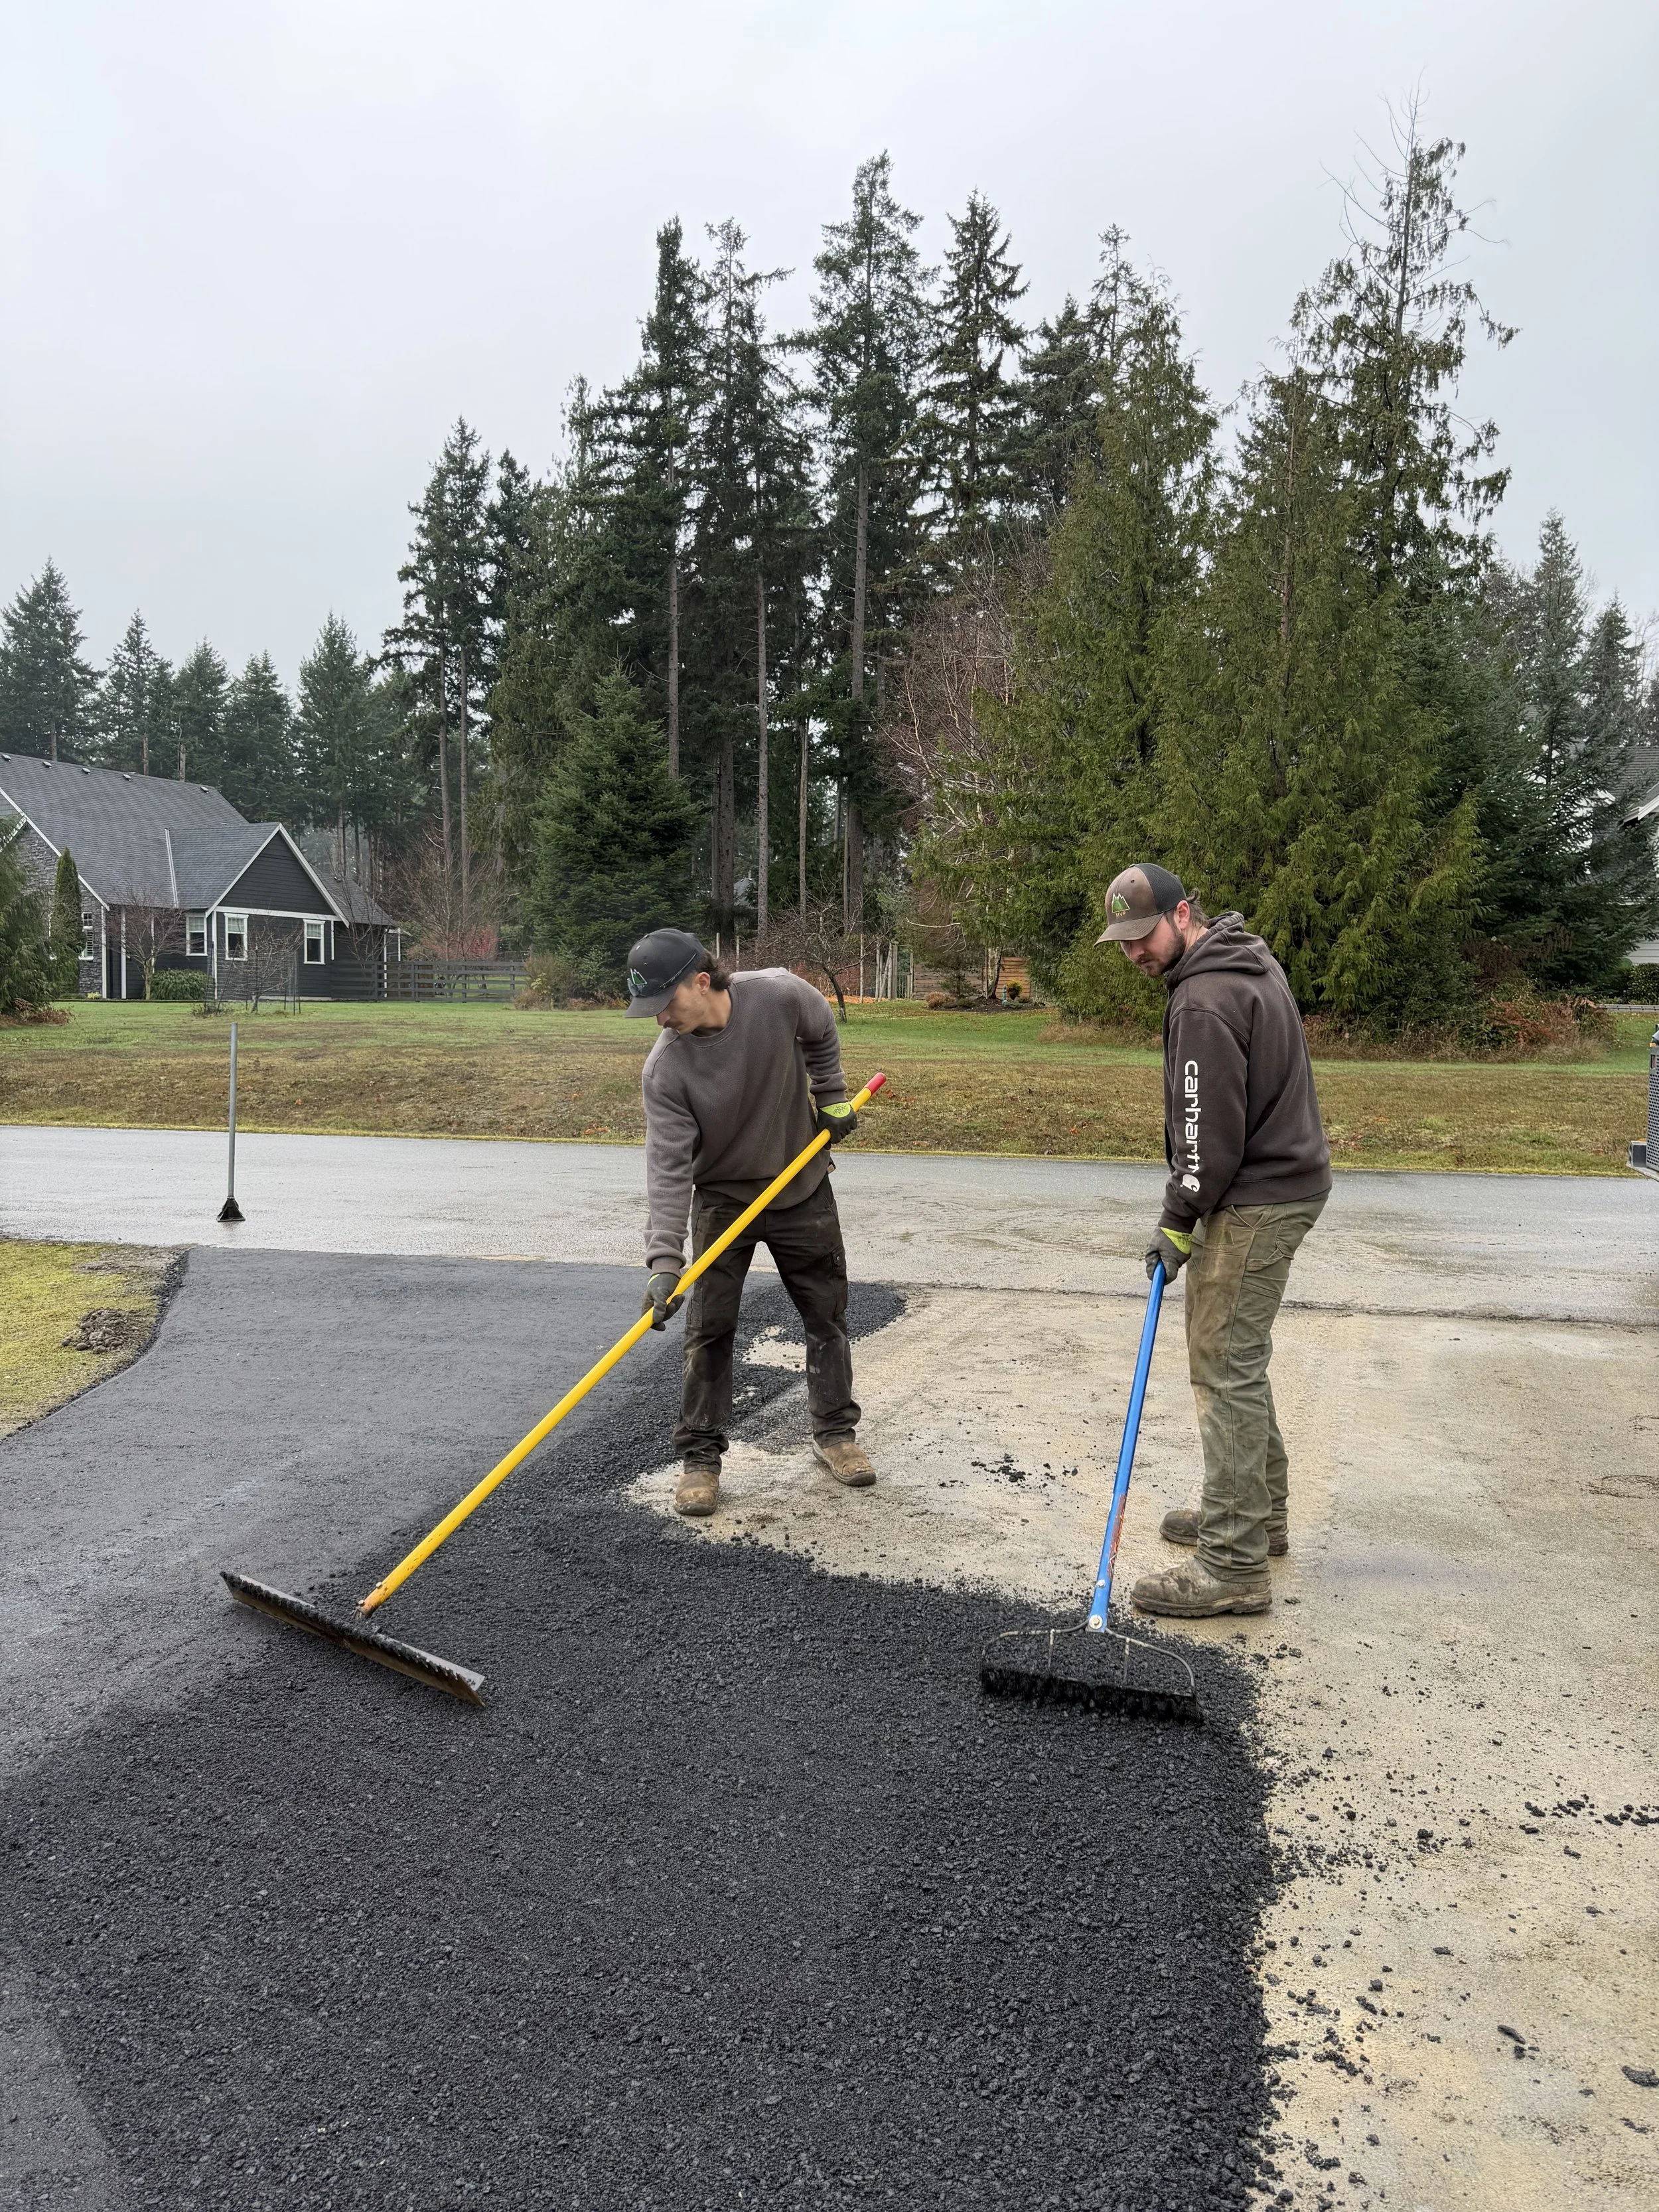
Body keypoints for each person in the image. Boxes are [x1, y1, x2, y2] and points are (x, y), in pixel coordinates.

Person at [1098, 864, 1331, 1617]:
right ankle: (1256, 1518)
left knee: (1222, 1368)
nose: (1134, 953)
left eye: (1143, 935)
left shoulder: (1202, 998)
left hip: (1256, 1197)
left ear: (1182, 913)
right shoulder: (1246, 961)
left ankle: (1233, 1563)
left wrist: (1177, 1216)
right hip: (1284, 1184)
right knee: (1239, 1360)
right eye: (1123, 942)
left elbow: (1205, 1136)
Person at [626, 927, 876, 1518]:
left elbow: (820, 1030)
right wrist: (665, 1263)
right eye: (650, 1008)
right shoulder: (666, 1070)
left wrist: (833, 1095)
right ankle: (700, 1459)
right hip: (723, 1200)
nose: (659, 1018)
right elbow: (667, 1168)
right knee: (710, 1330)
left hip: (801, 1183)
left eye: (666, 1001)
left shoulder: (780, 995)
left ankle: (835, 1433)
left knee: (827, 1314)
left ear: (702, 981)